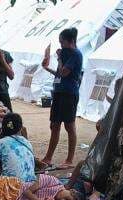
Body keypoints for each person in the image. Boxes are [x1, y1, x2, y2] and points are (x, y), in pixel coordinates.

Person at [41, 28, 83, 169]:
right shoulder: (67, 54)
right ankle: (48, 157)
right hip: (59, 92)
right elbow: (59, 74)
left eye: (62, 42)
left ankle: (69, 160)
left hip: (69, 93)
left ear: (70, 41)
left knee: (69, 125)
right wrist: (47, 68)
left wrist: (59, 58)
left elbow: (64, 72)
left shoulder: (75, 54)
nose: (61, 45)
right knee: (54, 125)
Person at [0, 113, 36, 182]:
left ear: (3, 127)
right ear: (21, 128)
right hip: (30, 184)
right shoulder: (27, 142)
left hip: (11, 186)